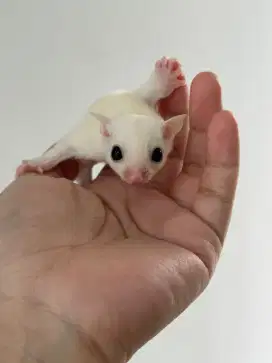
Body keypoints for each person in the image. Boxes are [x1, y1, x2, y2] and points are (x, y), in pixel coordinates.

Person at [0, 71, 239, 363]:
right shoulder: (91, 136)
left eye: (154, 157)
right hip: (109, 116)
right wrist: (41, 163)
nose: (136, 176)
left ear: (169, 136)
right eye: (117, 154)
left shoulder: (153, 123)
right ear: (106, 135)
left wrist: (160, 85)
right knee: (80, 158)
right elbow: (67, 146)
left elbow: (141, 98)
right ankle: (90, 169)